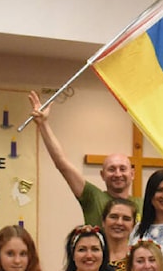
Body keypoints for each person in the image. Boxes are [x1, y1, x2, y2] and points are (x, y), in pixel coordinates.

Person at [29, 91, 142, 226]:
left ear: (132, 174)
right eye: (111, 169)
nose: (118, 174)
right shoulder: (93, 197)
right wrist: (43, 124)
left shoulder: (143, 205)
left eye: (122, 169)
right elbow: (62, 164)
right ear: (102, 175)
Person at [99, 198, 137, 271]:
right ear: (103, 222)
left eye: (126, 219)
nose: (119, 222)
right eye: (114, 217)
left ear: (134, 225)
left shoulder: (138, 258)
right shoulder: (92, 256)